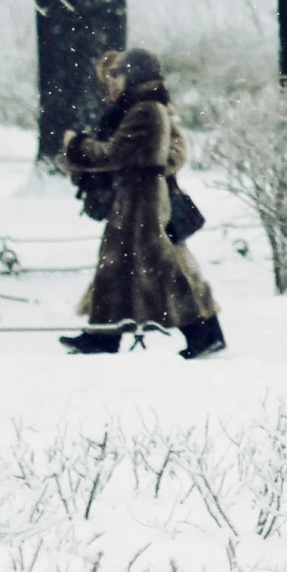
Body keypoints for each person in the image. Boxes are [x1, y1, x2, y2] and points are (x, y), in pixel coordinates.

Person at [58, 47, 225, 358]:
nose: (115, 81)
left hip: (144, 201)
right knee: (115, 267)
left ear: (134, 74)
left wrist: (76, 146)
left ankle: (203, 332)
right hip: (135, 198)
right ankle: (103, 336)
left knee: (164, 267)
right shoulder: (142, 107)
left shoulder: (145, 110)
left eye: (120, 73)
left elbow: (114, 154)